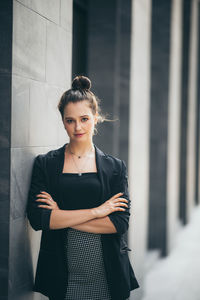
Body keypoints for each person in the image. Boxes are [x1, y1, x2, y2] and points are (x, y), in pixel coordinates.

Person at [26, 75, 139, 300]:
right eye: (70, 120)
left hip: (108, 275)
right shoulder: (46, 164)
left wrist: (60, 216)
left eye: (84, 119)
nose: (78, 127)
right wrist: (98, 212)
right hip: (62, 277)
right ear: (63, 121)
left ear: (96, 119)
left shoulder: (115, 167)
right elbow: (39, 219)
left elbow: (119, 223)